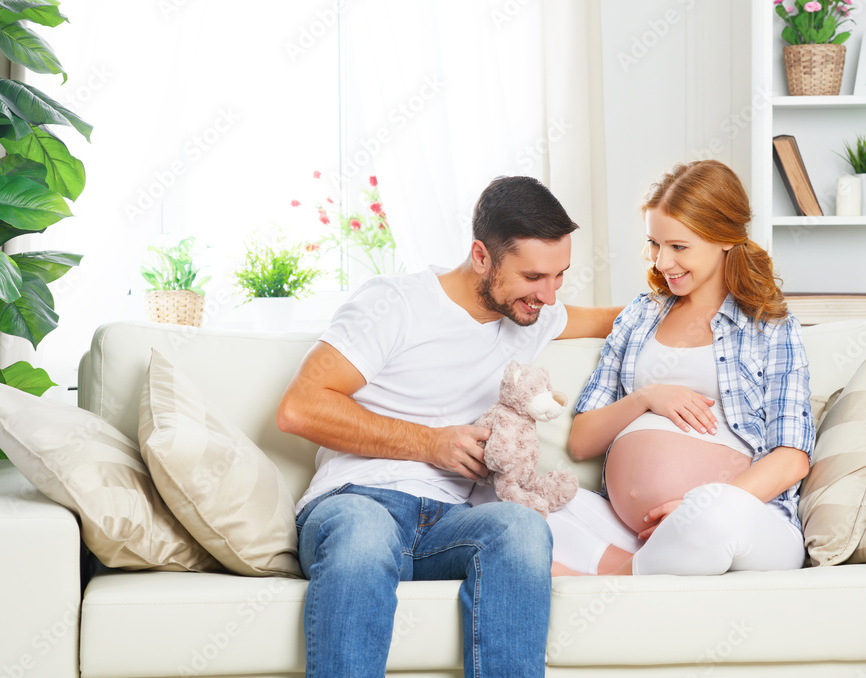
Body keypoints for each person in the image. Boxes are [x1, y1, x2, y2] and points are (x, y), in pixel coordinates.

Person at [276, 175, 619, 677]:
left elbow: (620, 318)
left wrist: (703, 283)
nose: (548, 294)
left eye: (559, 275)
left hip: (449, 524)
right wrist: (430, 443)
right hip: (357, 502)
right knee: (366, 535)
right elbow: (299, 407)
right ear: (481, 256)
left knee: (522, 527)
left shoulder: (533, 313)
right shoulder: (394, 303)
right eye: (532, 277)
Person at [548, 159, 815, 577]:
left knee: (713, 519)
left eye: (678, 247)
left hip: (743, 520)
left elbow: (792, 457)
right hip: (633, 530)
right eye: (655, 244)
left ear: (725, 239)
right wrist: (646, 397)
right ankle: (645, 567)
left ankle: (615, 577)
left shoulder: (770, 326)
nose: (661, 262)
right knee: (515, 500)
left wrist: (697, 507)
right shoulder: (639, 317)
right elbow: (581, 442)